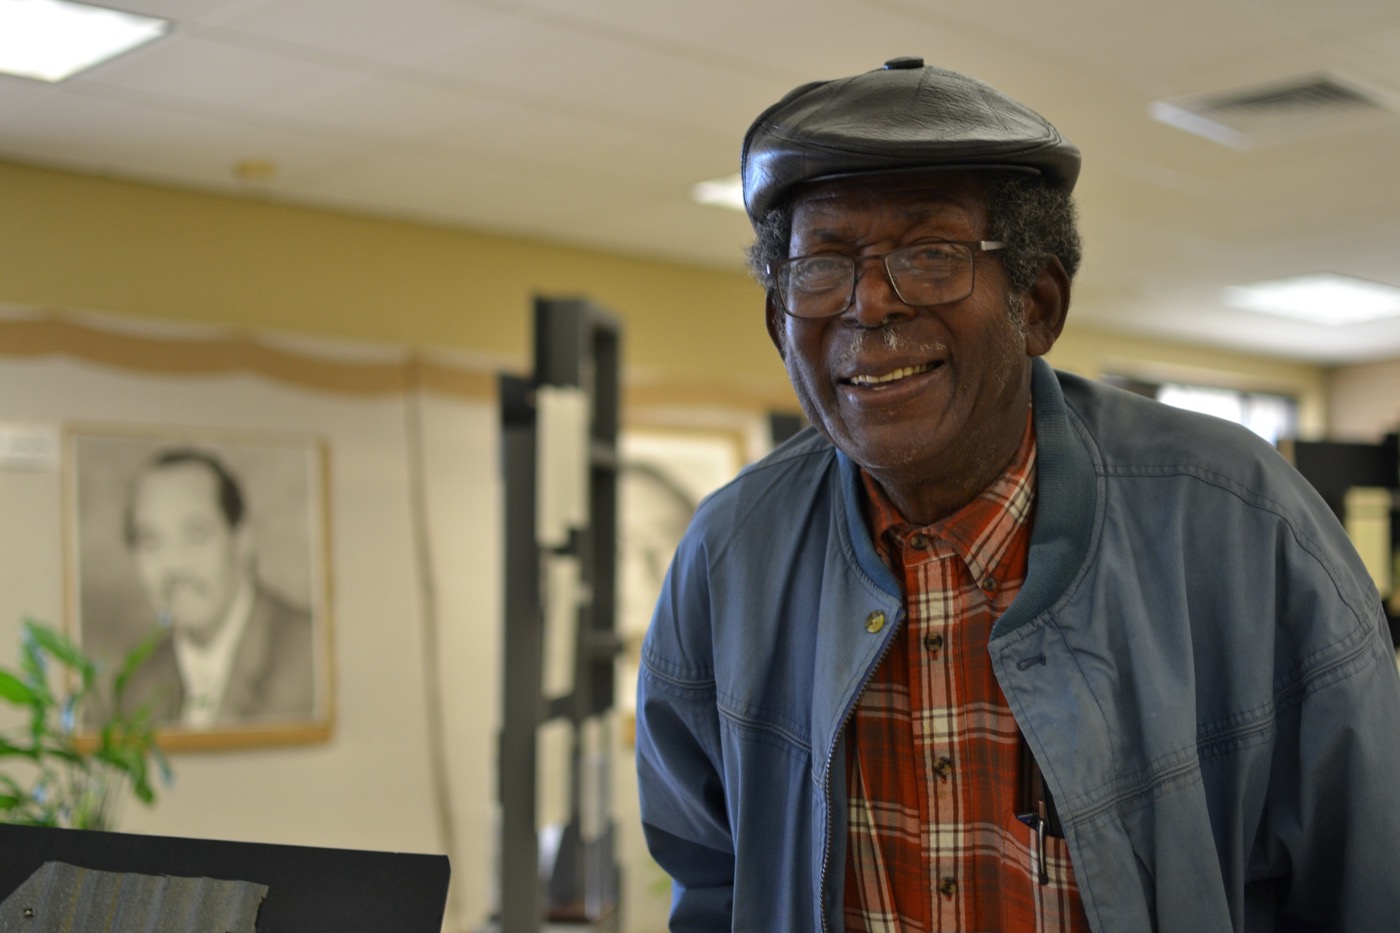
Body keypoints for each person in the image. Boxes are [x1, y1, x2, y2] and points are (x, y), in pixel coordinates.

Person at [634, 57, 1400, 932]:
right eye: (822, 265)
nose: (869, 306)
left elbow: (1369, 887)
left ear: (1036, 304)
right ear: (779, 324)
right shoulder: (729, 556)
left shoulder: (1247, 530)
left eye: (931, 256)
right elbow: (711, 882)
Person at [121, 447, 316, 728]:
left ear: (243, 541)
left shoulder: (310, 656)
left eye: (196, 535)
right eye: (151, 542)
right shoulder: (137, 687)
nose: (174, 565)